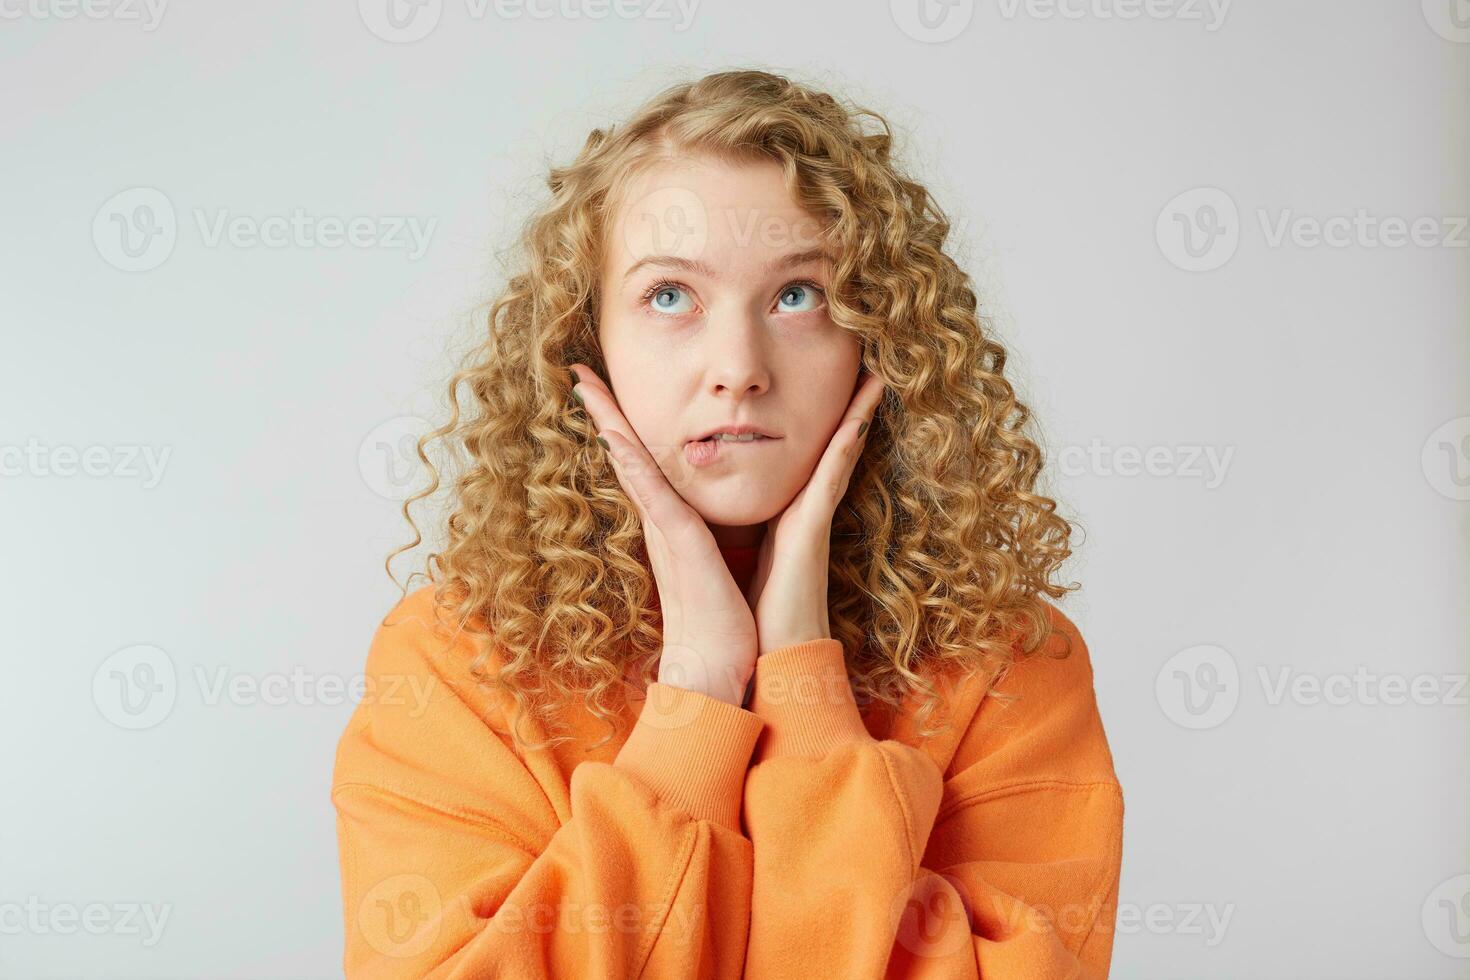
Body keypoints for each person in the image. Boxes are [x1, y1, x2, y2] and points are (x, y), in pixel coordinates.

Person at [331, 68, 1124, 979]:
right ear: (587, 344)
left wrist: (805, 689)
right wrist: (700, 694)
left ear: (881, 338)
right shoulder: (455, 661)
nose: (739, 367)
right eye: (671, 295)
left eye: (799, 296)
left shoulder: (1012, 666)